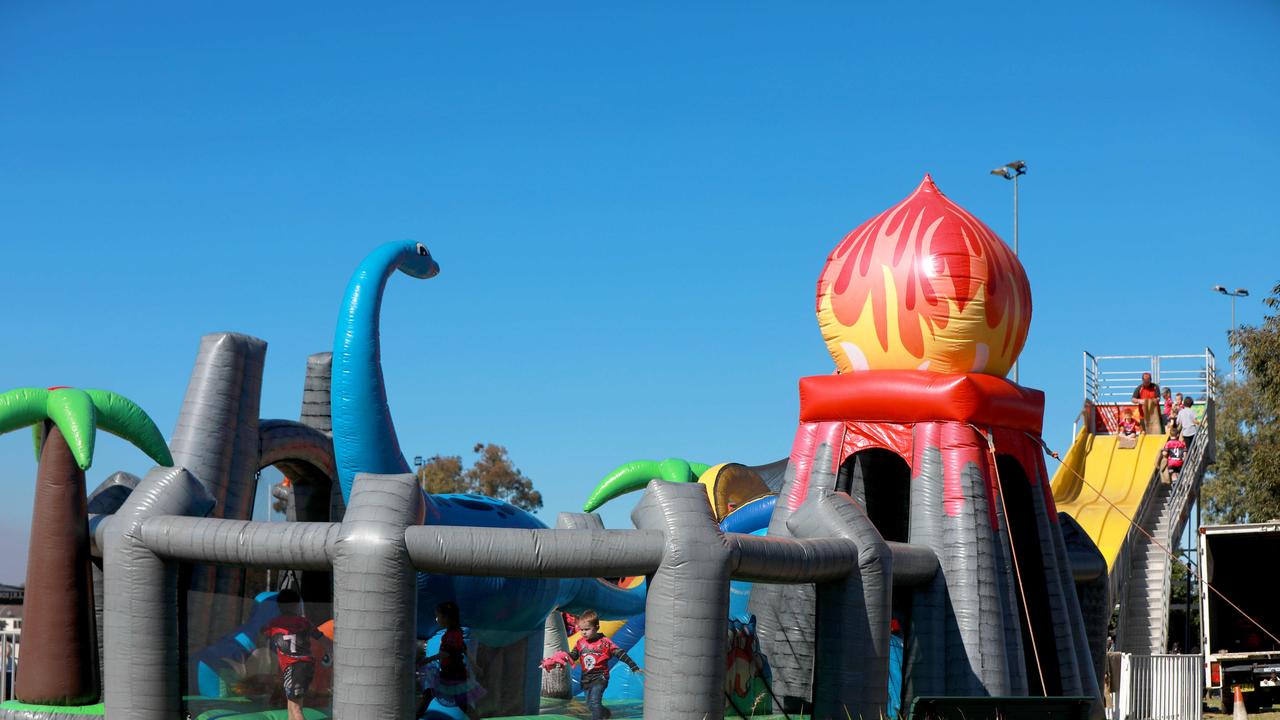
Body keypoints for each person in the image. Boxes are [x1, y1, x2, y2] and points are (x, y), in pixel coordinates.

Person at [541, 609, 642, 720]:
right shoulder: (581, 643)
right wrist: (557, 660)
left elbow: (620, 653)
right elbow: (573, 656)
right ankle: (605, 713)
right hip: (586, 679)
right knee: (590, 704)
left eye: (587, 629)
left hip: (600, 677)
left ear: (597, 627)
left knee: (594, 702)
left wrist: (633, 666)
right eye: (581, 629)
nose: (584, 632)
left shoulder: (605, 642)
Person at [262, 589, 324, 720]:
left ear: (279, 606)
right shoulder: (304, 622)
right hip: (304, 666)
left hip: (294, 667)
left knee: (295, 709)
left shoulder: (274, 623)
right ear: (296, 605)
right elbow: (321, 638)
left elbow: (262, 635)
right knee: (291, 706)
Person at [421, 601, 484, 720]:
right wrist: (475, 666)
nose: (436, 619)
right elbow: (464, 649)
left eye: (438, 616)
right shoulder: (456, 632)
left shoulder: (451, 635)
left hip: (454, 675)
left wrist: (427, 660)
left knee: (462, 704)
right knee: (429, 693)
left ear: (446, 618)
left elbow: (446, 653)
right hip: (451, 673)